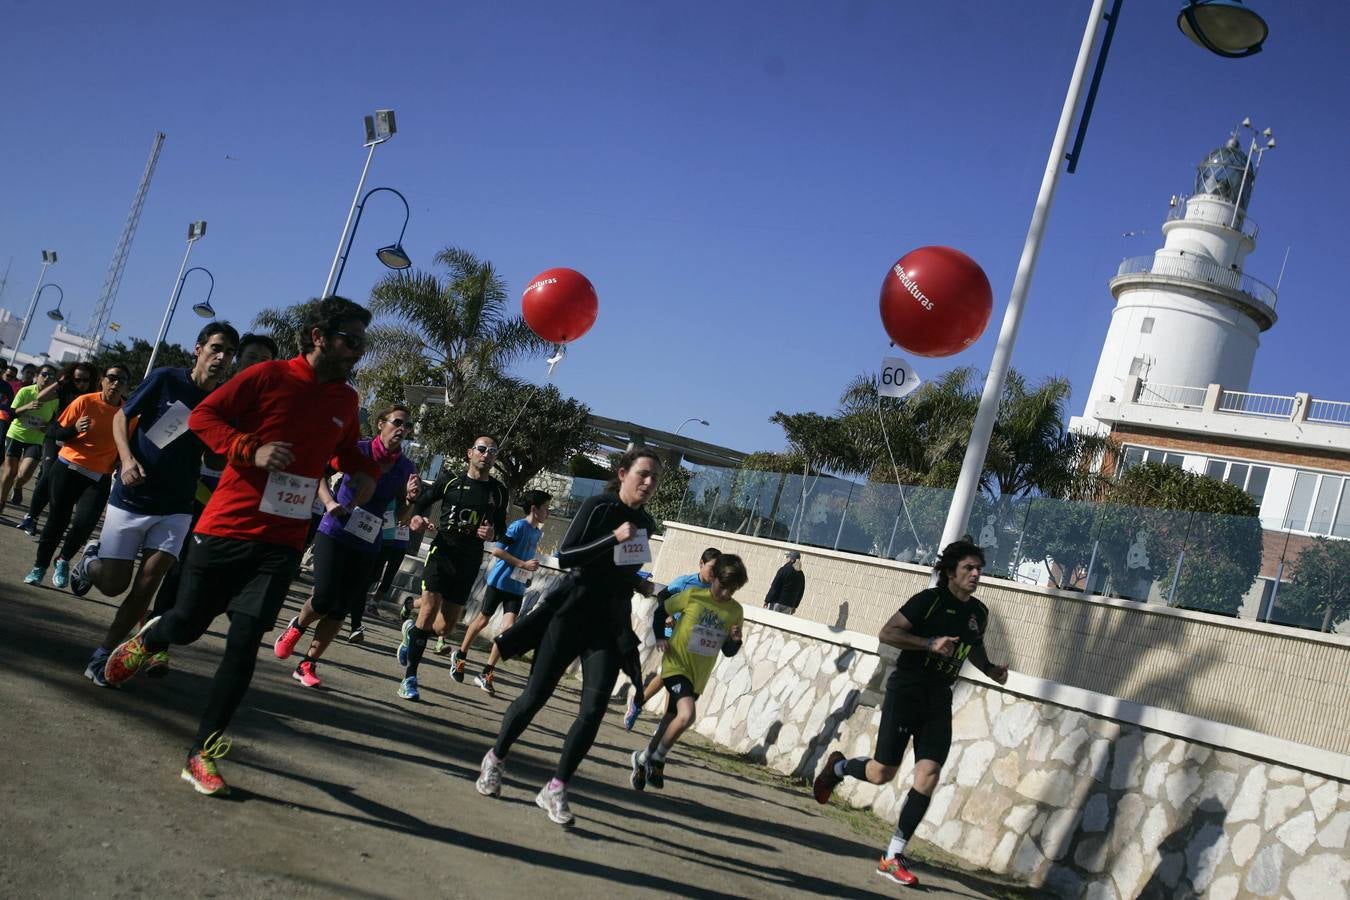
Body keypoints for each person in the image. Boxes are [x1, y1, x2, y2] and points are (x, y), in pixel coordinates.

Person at [101, 296, 378, 798]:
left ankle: (202, 751)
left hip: (283, 539)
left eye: (363, 343)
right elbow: (204, 418)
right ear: (319, 336)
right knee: (187, 624)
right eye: (350, 340)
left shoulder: (345, 401)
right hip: (227, 525)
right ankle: (151, 639)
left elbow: (345, 453)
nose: (358, 351)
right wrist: (253, 449)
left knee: (245, 641)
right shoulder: (268, 376)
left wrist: (360, 474)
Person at [475, 447, 661, 827]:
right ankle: (495, 759)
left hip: (609, 623)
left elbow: (620, 571)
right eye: (643, 474)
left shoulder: (647, 524)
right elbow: (568, 557)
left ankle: (556, 787)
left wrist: (638, 582)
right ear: (623, 473)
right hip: (571, 613)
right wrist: (612, 538)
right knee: (535, 696)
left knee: (593, 712)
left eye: (655, 478)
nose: (649, 483)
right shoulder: (599, 507)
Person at [811, 540, 1010, 888]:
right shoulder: (928, 601)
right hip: (906, 691)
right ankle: (838, 768)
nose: (976, 574)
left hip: (938, 698)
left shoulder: (979, 612)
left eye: (979, 569)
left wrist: (990, 668)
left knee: (929, 772)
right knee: (881, 773)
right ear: (951, 572)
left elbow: (973, 647)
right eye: (969, 568)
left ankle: (892, 855)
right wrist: (928, 643)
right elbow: (888, 632)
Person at [72, 323, 239, 685]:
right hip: (133, 496)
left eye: (228, 352)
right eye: (216, 348)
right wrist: (127, 460)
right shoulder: (166, 379)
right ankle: (90, 563)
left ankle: (104, 656)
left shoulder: (221, 401)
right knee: (115, 584)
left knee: (146, 586)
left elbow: (212, 460)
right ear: (198, 349)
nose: (221, 357)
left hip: (176, 506)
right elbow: (122, 417)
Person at [273, 404, 420, 687]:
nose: (402, 429)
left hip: (368, 542)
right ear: (381, 424)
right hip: (335, 531)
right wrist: (329, 502)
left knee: (340, 608)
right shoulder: (358, 450)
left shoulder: (406, 468)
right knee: (325, 598)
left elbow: (399, 517)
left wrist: (411, 501)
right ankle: (297, 626)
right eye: (397, 422)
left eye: (407, 426)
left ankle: (308, 663)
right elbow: (319, 472)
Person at [149, 332, 278, 621]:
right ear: (237, 360)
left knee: (206, 577)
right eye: (251, 358)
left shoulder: (270, 407)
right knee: (180, 566)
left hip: (237, 501)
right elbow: (164, 439)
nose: (257, 365)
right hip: (191, 493)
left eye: (265, 361)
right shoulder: (210, 394)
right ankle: (156, 633)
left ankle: (163, 627)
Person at [395, 435, 508, 700]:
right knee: (428, 611)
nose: (486, 454)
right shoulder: (450, 481)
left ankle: (411, 630)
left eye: (492, 451)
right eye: (481, 449)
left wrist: (492, 534)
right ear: (470, 453)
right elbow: (423, 501)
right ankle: (409, 678)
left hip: (469, 560)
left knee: (445, 628)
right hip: (442, 552)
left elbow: (501, 528)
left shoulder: (498, 491)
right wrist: (418, 517)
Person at [630, 553, 746, 792]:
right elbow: (662, 610)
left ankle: (642, 759)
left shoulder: (735, 612)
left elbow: (728, 650)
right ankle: (658, 759)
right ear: (713, 578)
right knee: (687, 715)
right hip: (676, 664)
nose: (725, 594)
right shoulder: (693, 596)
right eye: (723, 587)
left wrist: (735, 641)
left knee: (670, 721)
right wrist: (661, 636)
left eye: (731, 591)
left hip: (697, 675)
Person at [23, 364, 129, 587]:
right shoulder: (85, 402)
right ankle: (39, 566)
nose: (116, 383)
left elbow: (127, 445)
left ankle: (63, 559)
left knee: (85, 523)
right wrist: (75, 429)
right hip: (68, 468)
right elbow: (54, 433)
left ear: (126, 385)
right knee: (57, 521)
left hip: (98, 475)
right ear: (102, 380)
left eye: (121, 379)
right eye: (111, 377)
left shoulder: (127, 413)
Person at [452, 488, 551, 697]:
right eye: (545, 508)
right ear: (534, 509)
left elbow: (526, 557)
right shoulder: (518, 526)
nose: (548, 512)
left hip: (516, 587)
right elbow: (497, 550)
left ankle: (487, 672)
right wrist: (522, 563)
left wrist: (527, 573)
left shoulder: (537, 532)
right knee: (482, 621)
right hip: (499, 581)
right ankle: (460, 656)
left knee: (508, 631)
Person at [624, 546, 721, 730]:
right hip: (673, 635)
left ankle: (662, 725)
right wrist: (668, 614)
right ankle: (638, 703)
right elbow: (663, 595)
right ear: (701, 563)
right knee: (670, 676)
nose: (715, 573)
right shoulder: (685, 582)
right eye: (712, 567)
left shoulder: (714, 590)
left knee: (675, 682)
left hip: (692, 641)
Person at [17, 362, 97, 536]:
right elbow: (39, 398)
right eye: (77, 379)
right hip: (56, 435)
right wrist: (59, 382)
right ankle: (31, 517)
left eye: (85, 380)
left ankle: (56, 522)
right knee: (48, 475)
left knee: (66, 485)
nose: (81, 383)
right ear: (71, 378)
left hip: (76, 441)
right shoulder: (65, 388)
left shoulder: (95, 394)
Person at [0, 364, 59, 520]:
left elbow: (55, 419)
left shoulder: (54, 398)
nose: (47, 378)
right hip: (16, 434)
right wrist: (28, 406)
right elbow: (12, 412)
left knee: (25, 473)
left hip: (36, 439)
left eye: (52, 376)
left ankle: (18, 486)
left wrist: (48, 425)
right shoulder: (25, 391)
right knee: (9, 472)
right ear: (37, 376)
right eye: (44, 374)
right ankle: (1, 501)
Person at [764, 549, 806, 614]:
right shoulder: (801, 574)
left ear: (791, 559)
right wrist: (795, 606)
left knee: (772, 620)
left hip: (777, 602)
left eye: (787, 557)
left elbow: (775, 586)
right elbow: (800, 592)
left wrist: (767, 600)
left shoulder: (784, 570)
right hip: (789, 605)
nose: (786, 559)